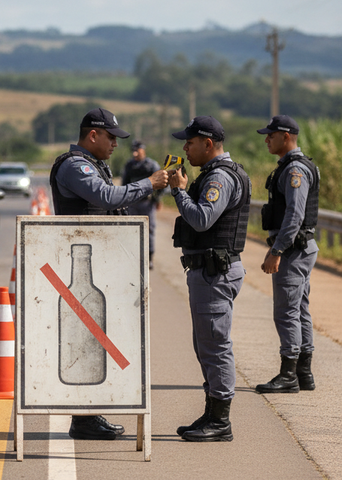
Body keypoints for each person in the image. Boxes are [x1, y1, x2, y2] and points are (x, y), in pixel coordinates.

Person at [49, 107, 169, 441]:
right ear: (93, 135)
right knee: (86, 342)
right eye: (111, 137)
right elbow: (104, 196)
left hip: (94, 263)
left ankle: (89, 414)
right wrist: (149, 184)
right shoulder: (76, 166)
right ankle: (83, 418)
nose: (116, 144)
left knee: (94, 341)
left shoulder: (94, 165)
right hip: (80, 265)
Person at [168, 116, 251, 442]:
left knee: (215, 347)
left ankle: (221, 421)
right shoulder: (215, 175)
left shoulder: (220, 178)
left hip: (215, 272)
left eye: (189, 142)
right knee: (205, 346)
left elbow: (202, 219)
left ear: (208, 143)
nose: (185, 148)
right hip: (210, 270)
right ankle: (211, 412)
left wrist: (179, 192)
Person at [255, 115, 319, 394]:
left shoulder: (295, 170)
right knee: (299, 310)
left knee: (286, 313)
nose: (267, 139)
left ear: (286, 136)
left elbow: (294, 214)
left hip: (293, 250)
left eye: (271, 135)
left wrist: (277, 250)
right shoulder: (292, 166)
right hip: (302, 248)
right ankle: (304, 373)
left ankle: (288, 374)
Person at [121, 139, 164, 269]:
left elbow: (161, 182)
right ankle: (134, 257)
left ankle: (149, 258)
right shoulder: (129, 165)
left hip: (147, 203)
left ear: (143, 150)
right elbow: (124, 184)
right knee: (133, 230)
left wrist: (157, 200)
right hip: (133, 204)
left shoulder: (152, 165)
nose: (135, 154)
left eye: (137, 150)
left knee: (149, 229)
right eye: (133, 151)